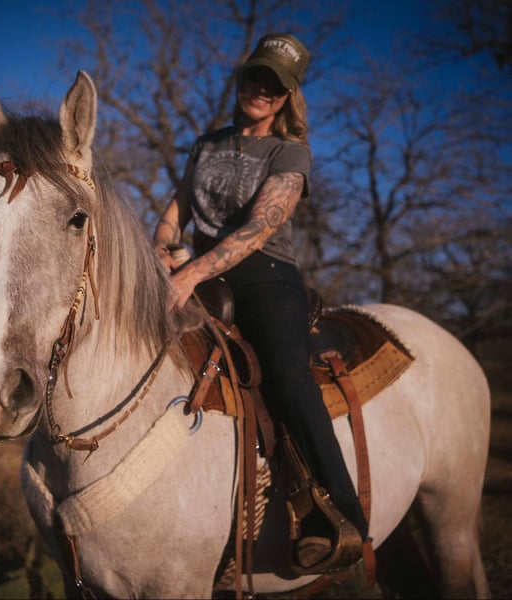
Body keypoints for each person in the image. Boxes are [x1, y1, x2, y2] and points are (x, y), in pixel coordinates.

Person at [153, 33, 368, 571]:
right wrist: (161, 246)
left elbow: (259, 228)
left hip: (264, 276)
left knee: (289, 376)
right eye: (257, 76)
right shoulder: (206, 145)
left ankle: (341, 515)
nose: (262, 89)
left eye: (276, 84)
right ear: (243, 77)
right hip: (199, 277)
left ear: (288, 95)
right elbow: (176, 212)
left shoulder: (289, 152)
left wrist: (191, 271)